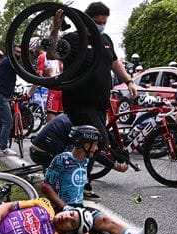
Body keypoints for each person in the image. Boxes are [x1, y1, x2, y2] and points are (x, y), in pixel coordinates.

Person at [49, 2, 137, 200]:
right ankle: (76, 182)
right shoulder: (73, 39)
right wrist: (55, 28)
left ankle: (78, 181)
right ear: (87, 19)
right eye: (97, 22)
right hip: (78, 102)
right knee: (96, 140)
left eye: (104, 22)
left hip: (99, 103)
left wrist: (129, 81)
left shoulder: (105, 40)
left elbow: (114, 63)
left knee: (87, 143)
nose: (101, 25)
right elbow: (52, 53)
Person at [40, 125, 155, 234]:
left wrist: (117, 165)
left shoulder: (86, 159)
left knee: (104, 220)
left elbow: (101, 157)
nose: (96, 148)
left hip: (79, 207)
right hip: (61, 208)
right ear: (85, 144)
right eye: (94, 145)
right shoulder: (62, 159)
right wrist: (63, 206)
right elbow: (45, 186)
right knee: (81, 228)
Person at [30, 113, 128, 173]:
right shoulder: (79, 126)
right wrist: (116, 166)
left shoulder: (73, 115)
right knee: (81, 154)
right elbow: (90, 150)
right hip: (45, 155)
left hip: (37, 151)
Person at [0, 44, 21, 157]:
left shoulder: (7, 62)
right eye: (17, 52)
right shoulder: (10, 62)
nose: (18, 55)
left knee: (1, 122)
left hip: (0, 95)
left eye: (20, 53)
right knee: (8, 122)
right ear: (11, 52)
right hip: (1, 96)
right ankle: (3, 148)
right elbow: (22, 71)